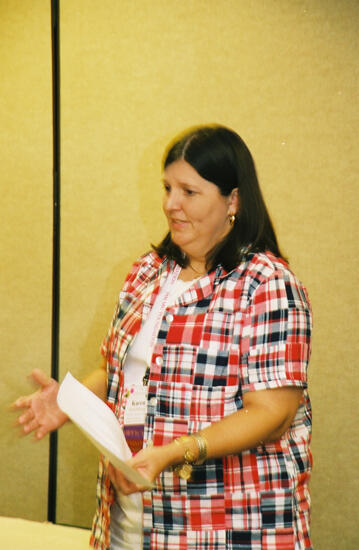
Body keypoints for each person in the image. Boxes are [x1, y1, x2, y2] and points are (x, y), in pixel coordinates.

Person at [13, 124, 313, 550]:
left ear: (234, 200)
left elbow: (272, 413)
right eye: (167, 187)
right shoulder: (149, 271)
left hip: (231, 524)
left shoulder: (267, 284)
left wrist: (175, 452)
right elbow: (116, 372)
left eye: (189, 192)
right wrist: (68, 400)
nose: (171, 204)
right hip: (131, 519)